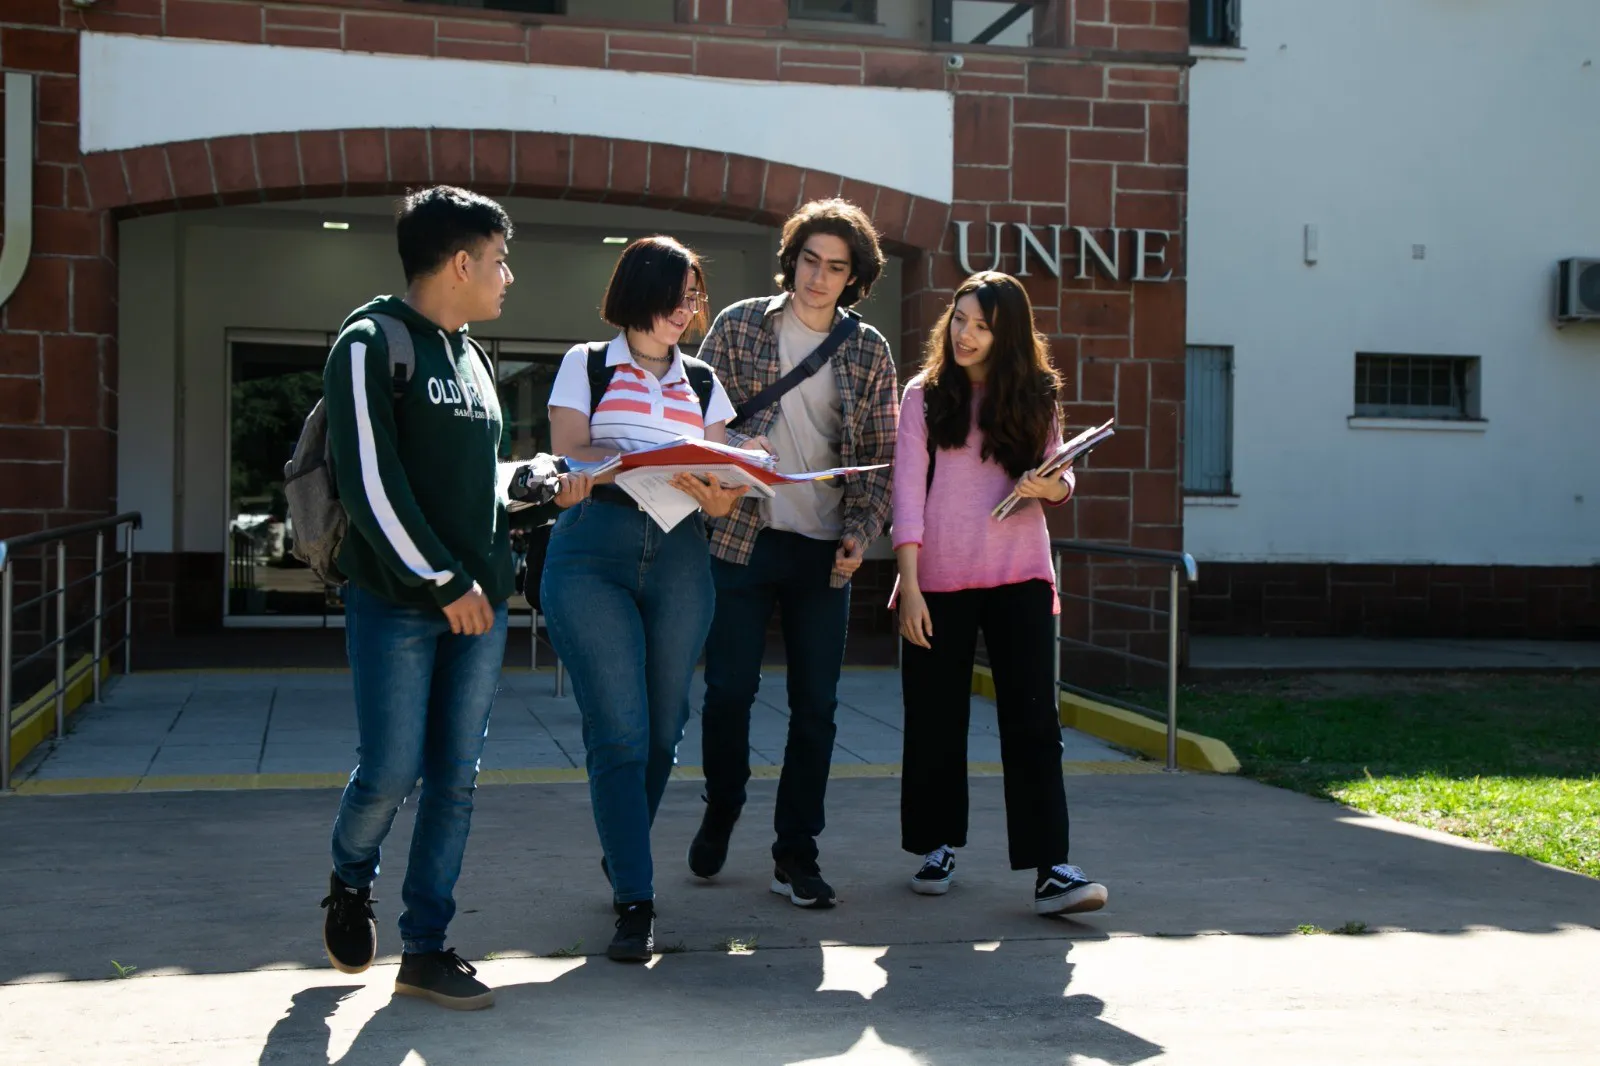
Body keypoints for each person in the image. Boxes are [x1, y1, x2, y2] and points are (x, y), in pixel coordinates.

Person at [316, 186, 591, 1011]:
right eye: (501, 261)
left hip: (477, 607)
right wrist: (443, 582)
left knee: (456, 781)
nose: (509, 277)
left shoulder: (473, 356)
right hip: (404, 601)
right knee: (392, 771)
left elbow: (477, 489)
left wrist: (537, 487)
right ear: (462, 261)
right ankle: (348, 882)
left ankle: (426, 947)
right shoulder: (370, 343)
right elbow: (370, 482)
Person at [541, 236, 747, 962]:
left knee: (664, 729)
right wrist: (624, 462)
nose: (687, 312)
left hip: (682, 553)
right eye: (676, 297)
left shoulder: (702, 380)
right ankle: (636, 897)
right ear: (639, 292)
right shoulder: (586, 364)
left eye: (694, 298)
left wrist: (722, 491)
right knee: (621, 732)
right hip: (594, 550)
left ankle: (622, 844)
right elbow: (571, 454)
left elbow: (723, 487)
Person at [692, 199, 898, 908]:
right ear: (792, 259)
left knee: (816, 707)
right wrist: (735, 450)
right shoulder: (739, 325)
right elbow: (696, 425)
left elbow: (879, 459)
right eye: (810, 259)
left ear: (854, 278)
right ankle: (723, 803)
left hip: (821, 552)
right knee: (727, 693)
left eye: (836, 267)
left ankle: (795, 852)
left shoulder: (868, 350)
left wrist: (860, 534)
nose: (819, 276)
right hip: (738, 538)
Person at [891, 271, 1109, 917]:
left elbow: (1059, 472)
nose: (965, 333)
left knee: (1034, 722)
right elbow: (908, 494)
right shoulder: (922, 397)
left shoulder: (1035, 394)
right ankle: (935, 845)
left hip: (1021, 575)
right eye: (959, 319)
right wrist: (909, 586)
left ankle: (1052, 869)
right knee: (935, 721)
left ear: (1006, 332)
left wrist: (1056, 488)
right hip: (939, 580)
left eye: (981, 325)